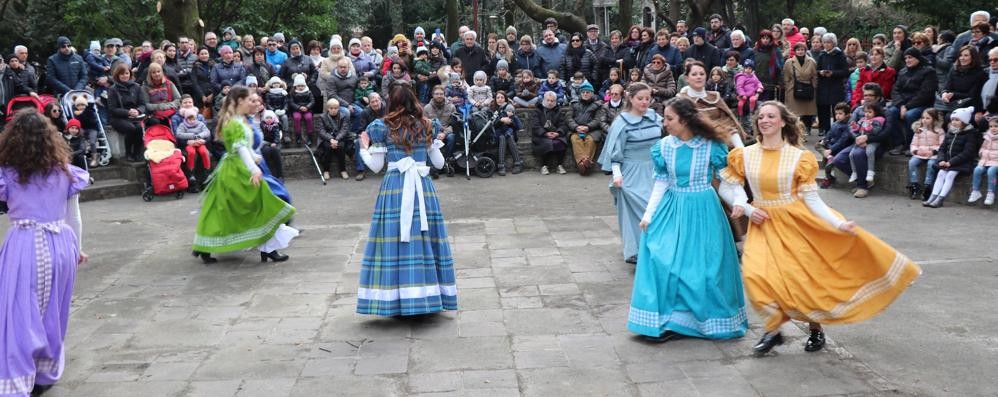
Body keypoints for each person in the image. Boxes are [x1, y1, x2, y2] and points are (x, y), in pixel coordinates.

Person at [718, 101, 921, 356]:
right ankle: (773, 330)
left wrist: (838, 223)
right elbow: (728, 186)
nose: (764, 120)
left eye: (771, 116)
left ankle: (815, 328)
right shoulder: (744, 154)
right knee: (756, 275)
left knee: (800, 278)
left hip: (795, 221)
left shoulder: (799, 157)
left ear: (783, 122)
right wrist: (744, 207)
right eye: (760, 117)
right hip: (762, 222)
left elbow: (812, 199)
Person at [628, 97, 747, 342]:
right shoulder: (663, 147)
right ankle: (670, 321)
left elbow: (727, 180)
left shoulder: (710, 146)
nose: (665, 122)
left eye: (670, 118)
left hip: (703, 210)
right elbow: (661, 182)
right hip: (672, 207)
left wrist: (740, 201)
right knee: (662, 258)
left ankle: (700, 320)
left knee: (703, 269)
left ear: (685, 120)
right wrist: (649, 214)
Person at [0, 109, 89, 397]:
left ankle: (16, 378)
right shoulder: (65, 172)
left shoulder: (8, 175)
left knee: (17, 313)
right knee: (54, 310)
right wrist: (76, 247)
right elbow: (73, 217)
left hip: (25, 244)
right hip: (60, 243)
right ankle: (43, 372)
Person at [356, 84, 456, 316]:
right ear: (414, 100)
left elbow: (376, 166)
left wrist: (363, 148)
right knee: (424, 237)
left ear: (391, 101)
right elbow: (440, 164)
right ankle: (427, 297)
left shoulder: (381, 127)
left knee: (393, 241)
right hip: (422, 186)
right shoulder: (428, 124)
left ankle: (396, 299)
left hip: (395, 188)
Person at [192, 86, 298, 263]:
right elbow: (240, 149)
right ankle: (206, 246)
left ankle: (268, 249)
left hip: (239, 168)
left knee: (250, 207)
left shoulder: (240, 120)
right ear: (240, 101)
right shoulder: (234, 123)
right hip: (237, 171)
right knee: (250, 206)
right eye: (250, 99)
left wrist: (255, 157)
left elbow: (245, 147)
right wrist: (254, 169)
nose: (253, 103)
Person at [599, 82, 662, 265]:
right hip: (632, 171)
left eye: (647, 99)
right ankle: (635, 250)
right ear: (631, 99)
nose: (644, 102)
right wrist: (617, 174)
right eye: (640, 99)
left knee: (657, 209)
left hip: (655, 169)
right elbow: (615, 153)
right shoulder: (622, 122)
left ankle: (656, 247)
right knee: (635, 212)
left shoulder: (655, 117)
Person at [923, 107, 980, 208]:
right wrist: (941, 160)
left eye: (957, 120)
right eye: (953, 119)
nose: (954, 122)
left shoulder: (970, 134)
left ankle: (940, 199)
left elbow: (968, 152)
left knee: (950, 175)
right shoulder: (950, 132)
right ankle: (933, 196)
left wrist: (951, 162)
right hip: (947, 161)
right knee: (941, 173)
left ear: (964, 122)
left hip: (961, 163)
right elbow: (942, 149)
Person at [106, 63, 147, 162]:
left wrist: (138, 111)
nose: (125, 76)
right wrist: (127, 112)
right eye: (122, 74)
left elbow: (143, 104)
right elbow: (112, 108)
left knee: (138, 128)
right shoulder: (113, 89)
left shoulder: (137, 87)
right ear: (117, 75)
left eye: (126, 73)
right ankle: (128, 153)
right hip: (118, 117)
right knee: (131, 128)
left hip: (135, 116)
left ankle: (137, 153)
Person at [566, 82, 606, 175]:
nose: (585, 94)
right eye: (583, 92)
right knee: (575, 139)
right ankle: (585, 162)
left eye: (588, 92)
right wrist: (576, 127)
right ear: (580, 93)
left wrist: (588, 127)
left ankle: (581, 163)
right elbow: (568, 118)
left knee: (590, 140)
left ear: (592, 93)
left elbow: (598, 119)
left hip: (592, 130)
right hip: (576, 130)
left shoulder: (598, 105)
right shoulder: (574, 104)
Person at [905, 108, 945, 200]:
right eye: (923, 118)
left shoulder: (939, 131)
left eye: (928, 118)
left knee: (931, 164)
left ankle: (928, 186)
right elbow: (913, 144)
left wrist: (933, 151)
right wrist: (916, 151)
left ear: (934, 119)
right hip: (920, 154)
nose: (924, 120)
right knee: (912, 163)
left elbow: (942, 145)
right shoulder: (919, 130)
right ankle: (914, 185)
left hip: (933, 155)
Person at [815, 33, 849, 136]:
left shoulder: (840, 54)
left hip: (836, 85)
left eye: (828, 42)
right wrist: (820, 72)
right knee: (823, 107)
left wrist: (833, 73)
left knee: (836, 107)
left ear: (833, 43)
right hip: (823, 85)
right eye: (824, 42)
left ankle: (837, 128)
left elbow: (845, 71)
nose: (826, 45)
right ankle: (825, 129)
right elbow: (817, 69)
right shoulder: (822, 54)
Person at [532, 91, 569, 175]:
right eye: (548, 100)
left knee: (560, 142)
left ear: (555, 102)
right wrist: (545, 133)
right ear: (544, 100)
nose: (549, 103)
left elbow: (563, 124)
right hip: (541, 135)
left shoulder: (558, 111)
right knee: (547, 143)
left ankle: (559, 165)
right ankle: (544, 166)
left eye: (552, 101)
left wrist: (558, 133)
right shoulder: (538, 110)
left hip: (556, 134)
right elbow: (535, 125)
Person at [784, 43, 819, 130]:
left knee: (807, 111)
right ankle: (793, 130)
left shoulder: (811, 61)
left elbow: (815, 76)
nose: (800, 52)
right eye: (798, 50)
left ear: (805, 51)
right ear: (795, 51)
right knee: (793, 112)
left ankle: (807, 128)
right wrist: (788, 87)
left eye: (802, 50)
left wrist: (814, 86)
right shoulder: (789, 62)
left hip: (808, 87)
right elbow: (786, 77)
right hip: (793, 88)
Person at [969, 117, 998, 205]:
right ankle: (975, 191)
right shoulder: (987, 137)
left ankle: (991, 193)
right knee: (977, 170)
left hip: (996, 162)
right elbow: (983, 148)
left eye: (996, 126)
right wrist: (981, 153)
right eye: (991, 126)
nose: (993, 128)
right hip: (985, 161)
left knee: (991, 171)